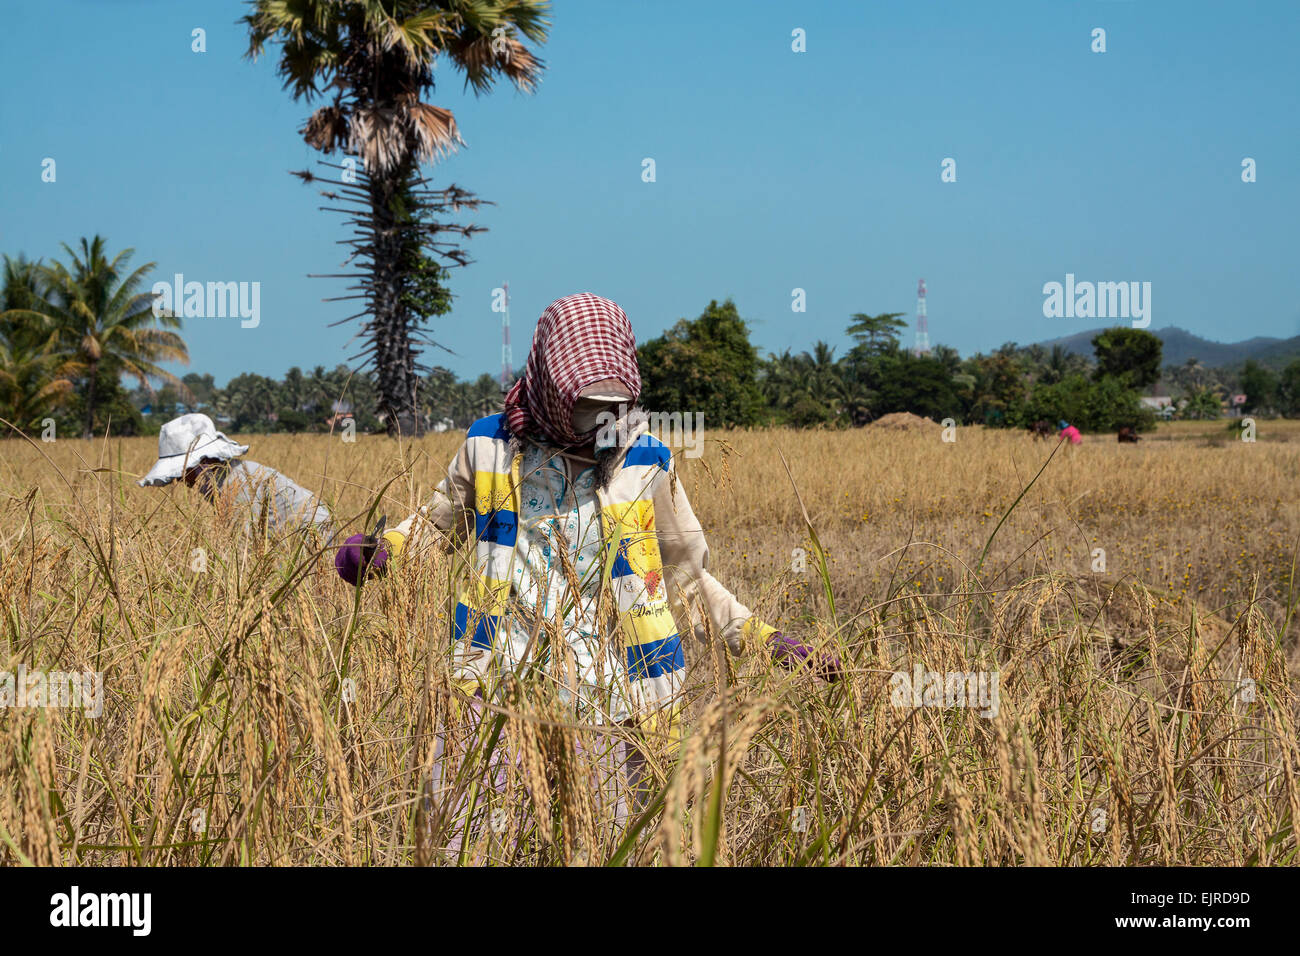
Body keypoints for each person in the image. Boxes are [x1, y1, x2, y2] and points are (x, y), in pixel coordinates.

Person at [336, 293, 837, 836]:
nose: (601, 421)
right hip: (495, 685)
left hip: (615, 702)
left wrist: (764, 640)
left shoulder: (645, 461)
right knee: (475, 837)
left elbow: (683, 579)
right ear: (550, 385)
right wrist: (385, 550)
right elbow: (439, 528)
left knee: (609, 841)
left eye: (614, 406)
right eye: (586, 404)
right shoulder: (489, 447)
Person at [138, 413, 332, 537]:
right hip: (288, 535)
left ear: (203, 463)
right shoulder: (218, 482)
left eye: (182, 472)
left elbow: (244, 541)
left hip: (309, 530)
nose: (179, 480)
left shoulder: (235, 482)